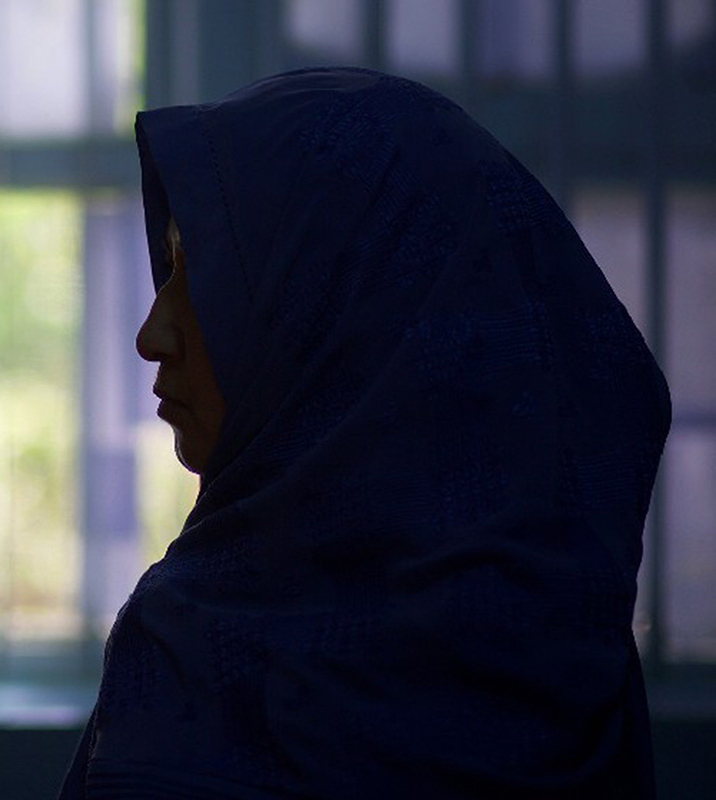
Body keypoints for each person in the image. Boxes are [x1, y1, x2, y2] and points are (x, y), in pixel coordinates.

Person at [59, 68, 671, 799]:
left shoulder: (203, 667)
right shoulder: (572, 661)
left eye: (201, 274)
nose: (152, 334)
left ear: (343, 321)